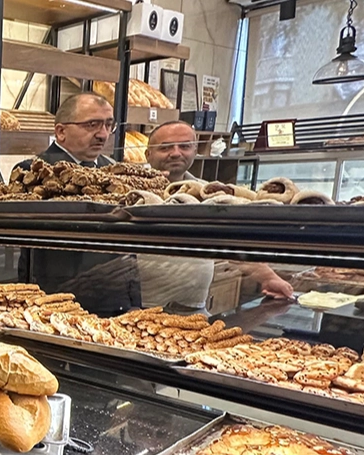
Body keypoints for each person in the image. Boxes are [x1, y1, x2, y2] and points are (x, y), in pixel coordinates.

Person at [139, 121, 293, 313]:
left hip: (195, 309)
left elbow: (231, 241)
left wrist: (268, 278)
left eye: (185, 146)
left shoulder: (207, 192)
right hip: (139, 309)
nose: (176, 153)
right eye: (165, 147)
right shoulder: (130, 192)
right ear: (148, 154)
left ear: (195, 151)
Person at [15, 93, 141, 316]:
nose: (103, 134)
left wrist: (133, 299)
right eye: (92, 125)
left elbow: (127, 244)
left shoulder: (114, 172)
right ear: (61, 132)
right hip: (59, 297)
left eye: (108, 125)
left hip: (114, 297)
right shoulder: (33, 172)